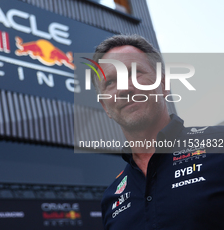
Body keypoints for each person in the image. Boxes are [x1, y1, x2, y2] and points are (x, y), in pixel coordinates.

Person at [91, 35, 224, 230]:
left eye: (135, 72)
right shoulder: (112, 198)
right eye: (110, 82)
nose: (124, 88)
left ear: (164, 84)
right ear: (105, 107)